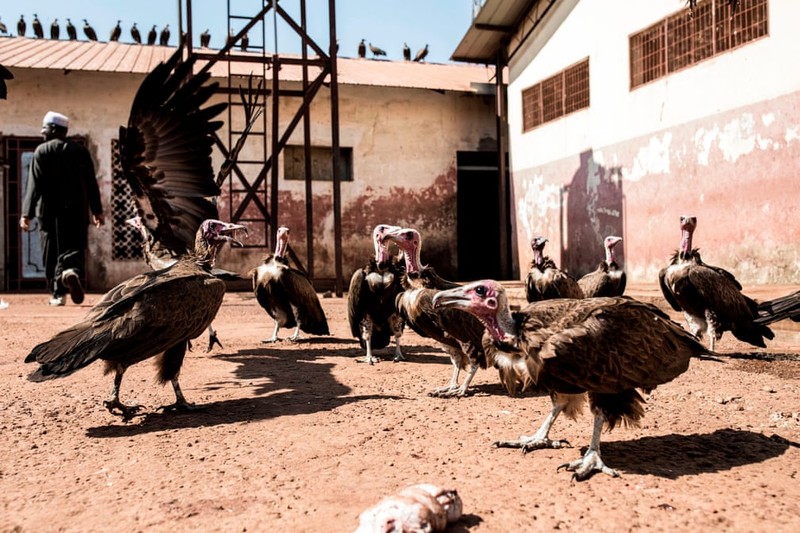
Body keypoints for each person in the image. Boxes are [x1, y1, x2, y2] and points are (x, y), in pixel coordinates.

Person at [20, 111, 105, 306]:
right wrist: (97, 211)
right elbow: (92, 183)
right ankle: (71, 271)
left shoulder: (42, 151)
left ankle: (58, 293)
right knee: (74, 248)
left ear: (52, 130)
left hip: (49, 214)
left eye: (45, 130)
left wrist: (27, 213)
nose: (43, 134)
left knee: (51, 252)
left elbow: (34, 186)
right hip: (77, 212)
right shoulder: (80, 151)